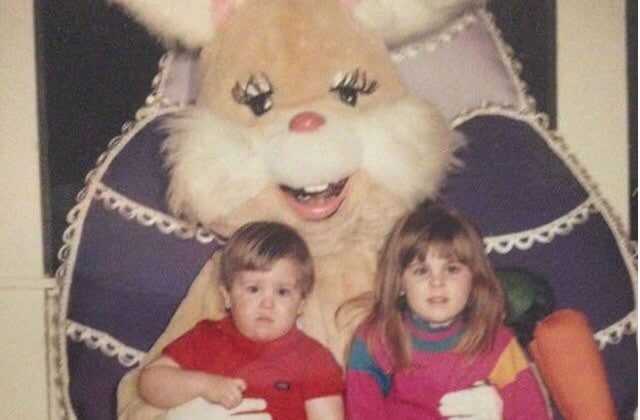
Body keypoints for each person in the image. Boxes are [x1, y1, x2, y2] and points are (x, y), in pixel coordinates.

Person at [345, 204, 551, 419]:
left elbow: (533, 414)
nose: (437, 282)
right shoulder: (375, 340)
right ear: (399, 283)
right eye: (421, 271)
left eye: (452, 269)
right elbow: (362, 412)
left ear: (474, 279)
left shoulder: (498, 343)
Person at [138, 221, 345, 420]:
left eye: (282, 292)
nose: (267, 303)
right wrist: (203, 385)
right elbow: (150, 383)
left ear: (301, 303)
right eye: (253, 289)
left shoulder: (313, 359)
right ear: (227, 295)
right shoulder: (207, 337)